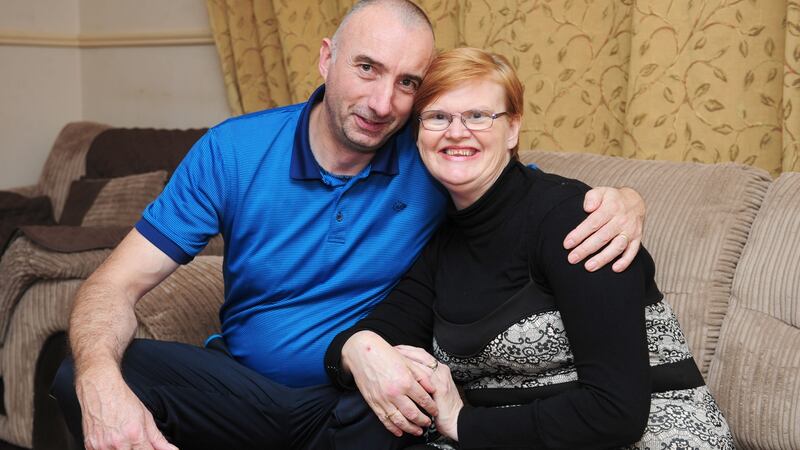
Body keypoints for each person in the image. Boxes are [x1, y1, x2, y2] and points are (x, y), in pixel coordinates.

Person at [51, 1, 646, 449]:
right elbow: (112, 285)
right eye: (367, 68)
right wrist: (100, 384)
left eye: (407, 83)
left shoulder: (432, 153)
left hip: (363, 400)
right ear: (327, 58)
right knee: (85, 368)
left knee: (407, 399)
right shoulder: (233, 151)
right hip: (248, 389)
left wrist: (621, 201)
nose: (384, 102)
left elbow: (519, 190)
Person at [325, 47, 734, 449]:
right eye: (437, 117)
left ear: (514, 130)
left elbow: (616, 412)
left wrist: (462, 423)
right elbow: (379, 332)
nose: (455, 131)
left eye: (478, 116)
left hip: (656, 431)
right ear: (418, 135)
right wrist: (356, 349)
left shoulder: (577, 219)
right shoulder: (443, 242)